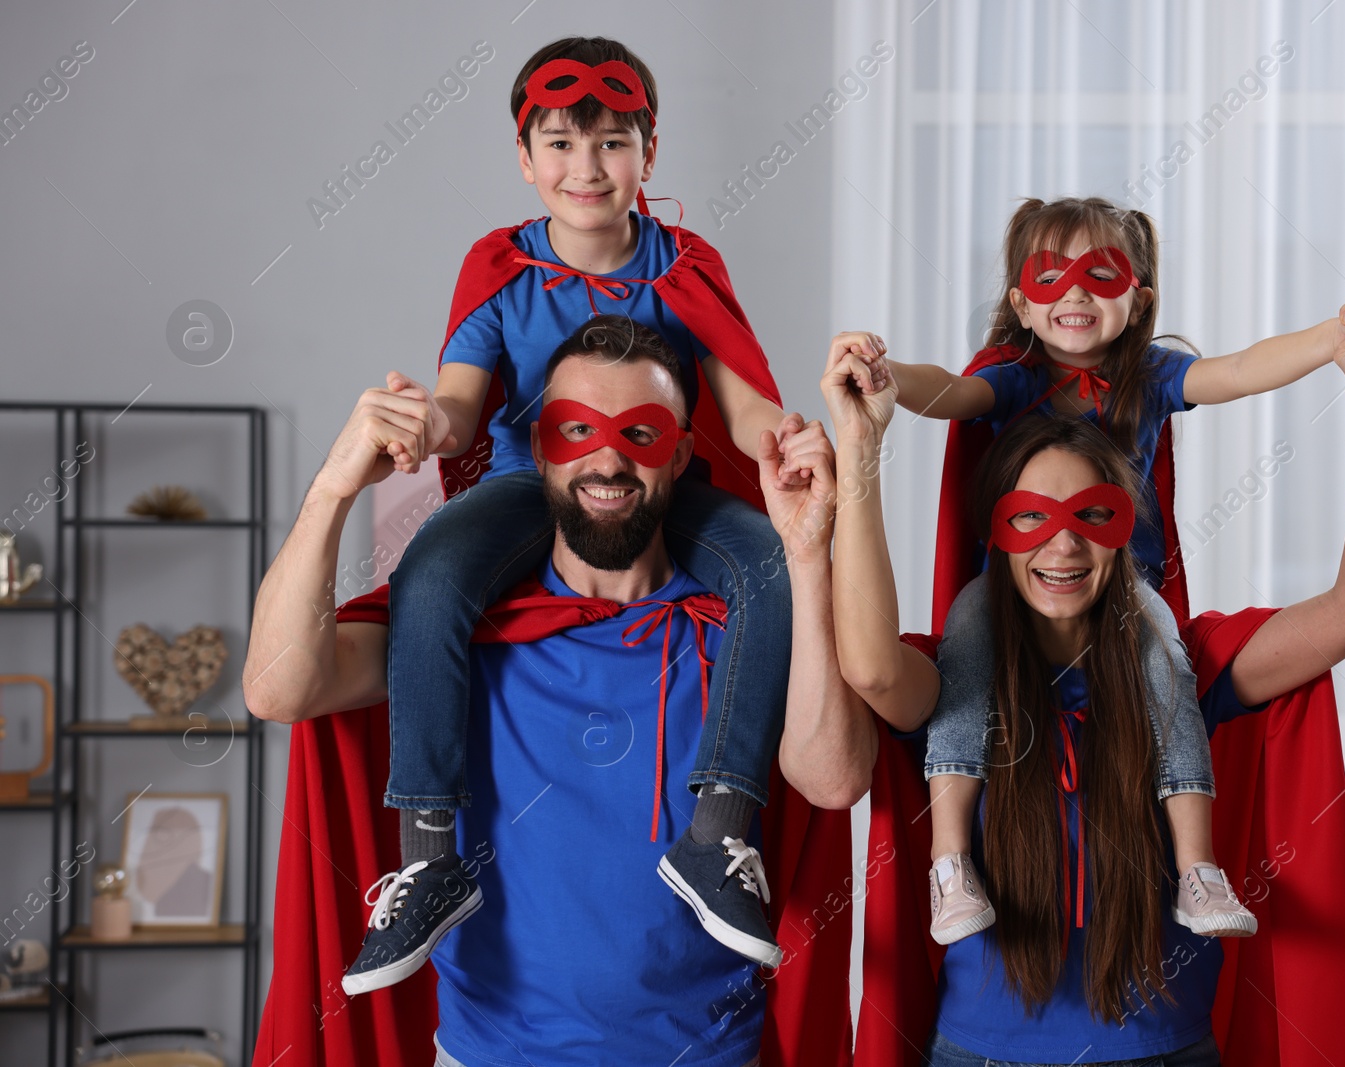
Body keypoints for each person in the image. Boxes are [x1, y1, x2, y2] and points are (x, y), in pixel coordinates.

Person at [242, 318, 874, 1066]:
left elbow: (835, 779)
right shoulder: (457, 634)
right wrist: (333, 486)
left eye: (639, 434)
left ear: (679, 454)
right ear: (539, 449)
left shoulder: (738, 635)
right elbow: (277, 688)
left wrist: (804, 556)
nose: (606, 458)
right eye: (576, 429)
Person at [358, 35, 838, 988]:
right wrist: (422, 428)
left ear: (648, 153)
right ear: (526, 158)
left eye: (612, 142)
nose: (587, 167)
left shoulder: (684, 260)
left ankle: (717, 831)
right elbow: (463, 404)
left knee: (767, 569)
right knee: (432, 573)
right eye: (562, 145)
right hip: (519, 481)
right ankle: (428, 849)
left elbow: (739, 401)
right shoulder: (498, 265)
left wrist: (784, 442)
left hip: (658, 488)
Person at [824, 309, 1345, 1064]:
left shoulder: (1186, 665)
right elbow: (872, 668)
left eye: (1092, 517)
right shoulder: (955, 683)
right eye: (1032, 518)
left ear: (1127, 528)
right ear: (995, 535)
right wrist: (861, 444)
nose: (1064, 543)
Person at [852, 195, 1345, 945]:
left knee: (1167, 664)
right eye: (1052, 277)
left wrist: (1333, 339)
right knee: (968, 649)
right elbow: (950, 391)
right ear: (1020, 301)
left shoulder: (1149, 377)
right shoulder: (1012, 377)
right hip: (999, 598)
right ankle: (950, 863)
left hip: (1132, 594)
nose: (1076, 292)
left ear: (1138, 295)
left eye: (1099, 274)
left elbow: (1241, 370)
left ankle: (1196, 868)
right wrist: (884, 379)